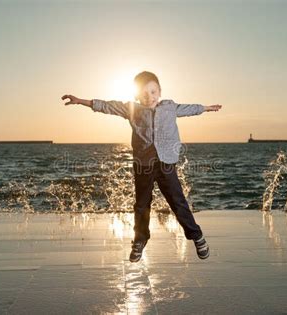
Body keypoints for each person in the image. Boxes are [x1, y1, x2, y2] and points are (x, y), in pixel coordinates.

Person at [61, 71, 222, 262]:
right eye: (144, 93)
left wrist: (206, 108)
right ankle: (140, 240)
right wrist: (81, 101)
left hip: (166, 164)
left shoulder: (170, 107)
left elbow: (188, 108)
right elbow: (107, 106)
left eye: (153, 92)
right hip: (143, 165)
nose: (149, 97)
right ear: (137, 95)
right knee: (141, 205)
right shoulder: (132, 109)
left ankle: (197, 236)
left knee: (178, 203)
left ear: (160, 91)